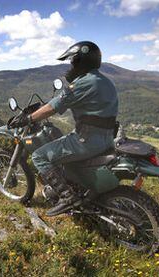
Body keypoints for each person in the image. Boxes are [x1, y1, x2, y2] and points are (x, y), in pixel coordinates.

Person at [9, 41, 119, 216]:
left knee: (39, 156)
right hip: (106, 139)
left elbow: (53, 107)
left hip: (86, 141)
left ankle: (68, 198)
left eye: (72, 61)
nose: (71, 65)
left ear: (80, 61)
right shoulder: (105, 81)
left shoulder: (82, 83)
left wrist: (28, 118)